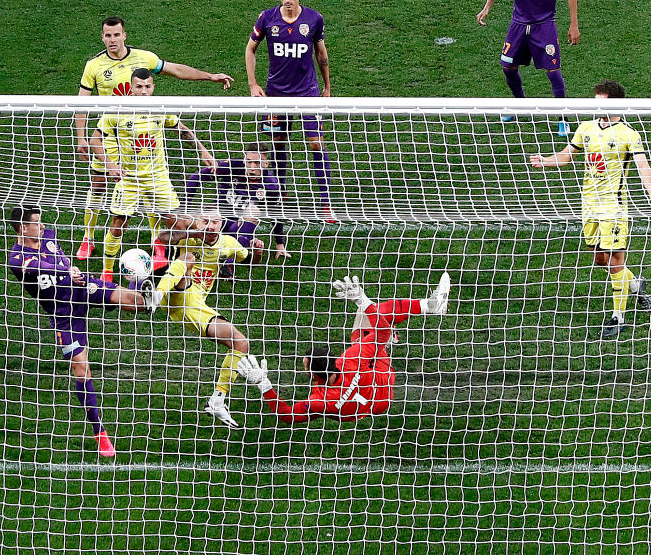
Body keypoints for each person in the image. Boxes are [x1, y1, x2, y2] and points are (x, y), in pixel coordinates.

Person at [75, 16, 234, 261]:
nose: (112, 40)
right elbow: (81, 103)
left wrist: (209, 76)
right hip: (111, 134)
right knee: (99, 185)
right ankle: (88, 237)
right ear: (102, 37)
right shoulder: (94, 66)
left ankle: (156, 241)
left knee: (150, 182)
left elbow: (176, 70)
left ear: (124, 35)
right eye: (108, 35)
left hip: (142, 130)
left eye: (116, 35)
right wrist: (81, 137)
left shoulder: (144, 58)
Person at [7, 206, 153, 458]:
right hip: (64, 315)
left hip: (84, 287)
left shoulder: (49, 236)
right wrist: (66, 270)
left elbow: (59, 260)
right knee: (81, 369)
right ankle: (100, 434)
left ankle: (141, 281)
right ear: (23, 228)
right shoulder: (17, 259)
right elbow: (41, 266)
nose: (43, 226)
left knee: (140, 303)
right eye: (37, 223)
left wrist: (73, 270)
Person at [529, 80, 651, 338]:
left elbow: (642, 165)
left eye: (600, 102)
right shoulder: (586, 128)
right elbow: (566, 155)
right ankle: (636, 285)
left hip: (614, 207)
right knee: (600, 259)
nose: (595, 106)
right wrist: (545, 161)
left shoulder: (628, 134)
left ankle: (618, 317)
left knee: (615, 260)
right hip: (589, 206)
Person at [237, 273, 450, 424]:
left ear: (313, 374)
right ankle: (427, 307)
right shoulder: (351, 357)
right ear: (333, 359)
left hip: (376, 405)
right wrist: (362, 301)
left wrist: (263, 383)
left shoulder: (319, 401)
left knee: (366, 326)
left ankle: (424, 311)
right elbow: (382, 330)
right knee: (375, 317)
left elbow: (286, 415)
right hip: (381, 380)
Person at [91, 68, 217, 284]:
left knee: (176, 223)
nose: (143, 91)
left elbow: (182, 129)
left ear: (153, 87)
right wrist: (110, 165)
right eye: (138, 87)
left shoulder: (159, 108)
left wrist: (202, 150)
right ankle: (107, 271)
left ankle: (183, 269)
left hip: (158, 177)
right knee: (118, 223)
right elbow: (95, 140)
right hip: (129, 178)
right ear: (131, 88)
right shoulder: (116, 110)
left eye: (147, 86)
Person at [150, 210, 262, 428]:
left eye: (215, 221)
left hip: (194, 307)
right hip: (175, 293)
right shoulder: (191, 236)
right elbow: (162, 238)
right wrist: (192, 233)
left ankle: (217, 400)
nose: (211, 226)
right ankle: (155, 296)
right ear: (199, 222)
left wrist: (257, 252)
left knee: (240, 342)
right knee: (188, 257)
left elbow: (249, 263)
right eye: (206, 221)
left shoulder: (229, 243)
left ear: (222, 224)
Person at [245, 0, 335, 221]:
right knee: (278, 142)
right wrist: (253, 84)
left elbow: (321, 53)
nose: (287, 0)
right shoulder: (267, 18)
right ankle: (281, 194)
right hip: (276, 93)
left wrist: (326, 87)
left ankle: (326, 203)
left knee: (316, 142)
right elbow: (250, 49)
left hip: (308, 92)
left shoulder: (314, 19)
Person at [476, 0, 579, 137]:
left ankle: (563, 118)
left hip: (544, 25)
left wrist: (573, 25)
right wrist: (486, 8)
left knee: (553, 71)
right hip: (518, 24)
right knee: (508, 68)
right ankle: (521, 105)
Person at [183, 142, 289, 276]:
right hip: (216, 220)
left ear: (266, 164)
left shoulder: (271, 186)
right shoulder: (231, 167)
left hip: (237, 227)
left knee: (254, 211)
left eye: (257, 163)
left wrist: (279, 243)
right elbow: (196, 177)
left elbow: (276, 214)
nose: (252, 167)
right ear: (244, 160)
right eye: (249, 162)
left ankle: (227, 262)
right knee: (191, 222)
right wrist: (184, 207)